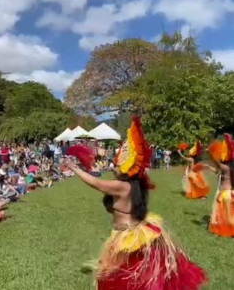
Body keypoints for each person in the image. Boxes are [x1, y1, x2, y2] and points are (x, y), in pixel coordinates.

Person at [66, 117, 206, 290]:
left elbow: (97, 184)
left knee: (123, 279)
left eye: (117, 164)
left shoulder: (122, 186)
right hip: (128, 233)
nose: (113, 166)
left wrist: (74, 168)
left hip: (129, 238)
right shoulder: (133, 184)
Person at [207, 134, 234, 237]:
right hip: (228, 193)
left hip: (224, 193)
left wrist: (211, 152)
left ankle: (227, 230)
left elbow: (217, 164)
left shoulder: (226, 167)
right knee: (228, 216)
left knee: (223, 215)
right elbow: (217, 170)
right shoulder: (229, 167)